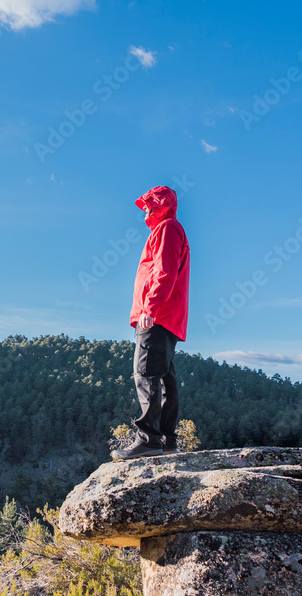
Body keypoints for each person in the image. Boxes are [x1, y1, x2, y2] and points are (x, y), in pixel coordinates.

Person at [111, 185, 190, 460]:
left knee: (145, 373)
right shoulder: (170, 229)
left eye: (148, 204)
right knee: (165, 378)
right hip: (169, 318)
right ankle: (167, 440)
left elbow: (164, 272)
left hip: (158, 315)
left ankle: (149, 440)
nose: (144, 210)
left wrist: (150, 307)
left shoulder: (167, 229)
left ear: (159, 204)